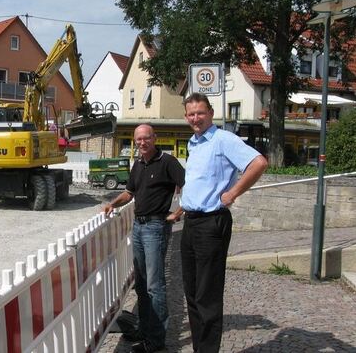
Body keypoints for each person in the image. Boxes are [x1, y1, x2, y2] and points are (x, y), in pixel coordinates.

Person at [179, 93, 268, 353]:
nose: (196, 118)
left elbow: (258, 163)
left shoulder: (223, 140)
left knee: (207, 295)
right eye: (191, 114)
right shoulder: (193, 142)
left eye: (200, 113)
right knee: (192, 293)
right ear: (186, 117)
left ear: (211, 113)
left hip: (211, 223)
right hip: (191, 223)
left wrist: (233, 193)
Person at [103, 124, 184, 353]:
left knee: (155, 287)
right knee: (141, 284)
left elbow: (188, 185)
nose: (142, 143)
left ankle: (156, 342)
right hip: (138, 227)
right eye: (138, 139)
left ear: (154, 138)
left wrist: (179, 212)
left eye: (146, 138)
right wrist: (112, 204)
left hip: (156, 227)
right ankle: (145, 331)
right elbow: (130, 192)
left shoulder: (168, 162)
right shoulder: (137, 164)